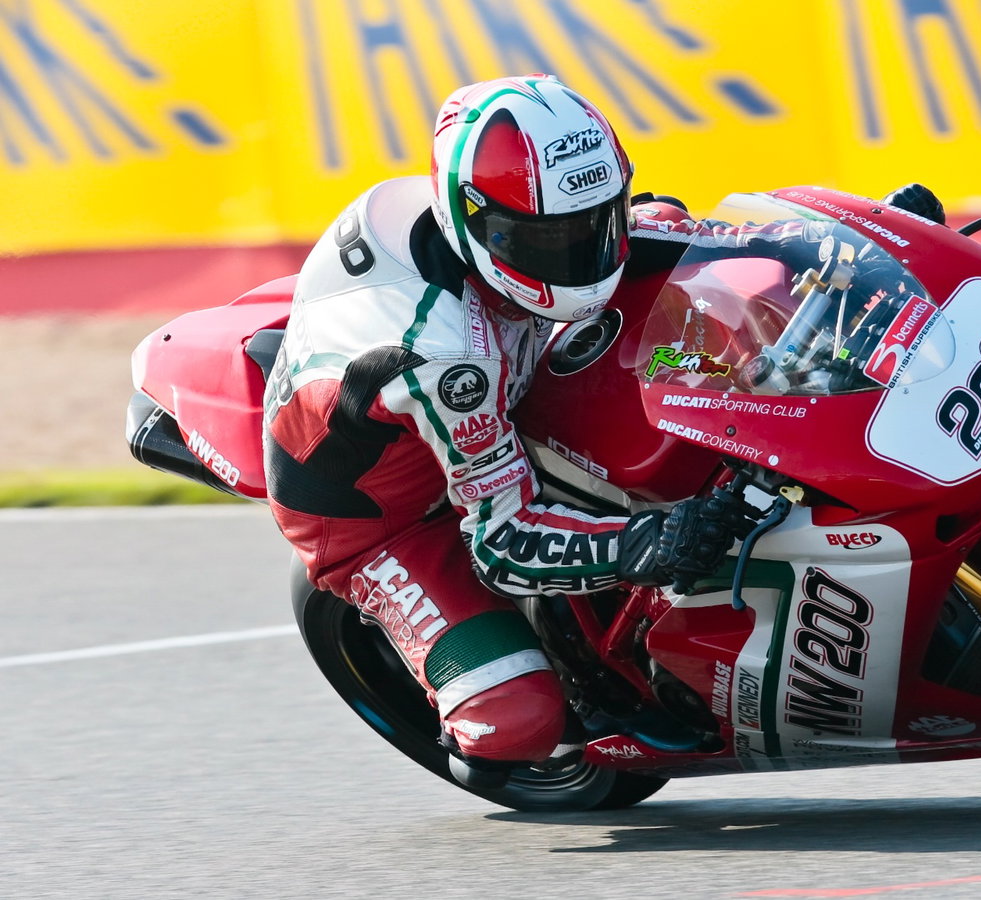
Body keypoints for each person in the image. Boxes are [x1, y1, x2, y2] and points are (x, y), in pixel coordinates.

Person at [262, 73, 944, 780]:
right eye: (551, 241)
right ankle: (533, 678)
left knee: (714, 328)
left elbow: (690, 231)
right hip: (382, 514)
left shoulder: (501, 233)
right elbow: (505, 541)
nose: (587, 256)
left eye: (598, 222)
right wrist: (653, 541)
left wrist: (867, 242)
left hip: (502, 372)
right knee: (514, 728)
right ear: (473, 219)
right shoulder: (440, 360)